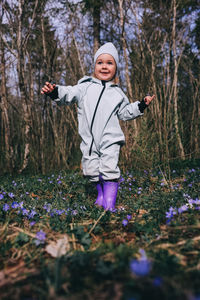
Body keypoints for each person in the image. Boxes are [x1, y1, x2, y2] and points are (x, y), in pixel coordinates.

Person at [41, 42, 155, 212]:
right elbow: (69, 93)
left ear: (115, 68)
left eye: (110, 63)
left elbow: (124, 113)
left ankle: (110, 204)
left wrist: (140, 105)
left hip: (111, 138)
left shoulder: (117, 93)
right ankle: (101, 196)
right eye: (100, 62)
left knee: (109, 167)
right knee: (91, 171)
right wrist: (54, 91)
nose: (104, 66)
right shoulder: (84, 87)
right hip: (89, 141)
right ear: (94, 66)